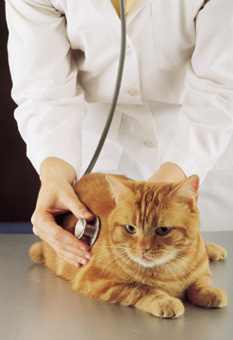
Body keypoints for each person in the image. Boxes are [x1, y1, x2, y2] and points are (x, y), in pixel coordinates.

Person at [5, 0, 233, 267]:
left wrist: (171, 189)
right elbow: (43, 91)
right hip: (101, 149)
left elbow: (220, 85)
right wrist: (54, 174)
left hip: (198, 143)